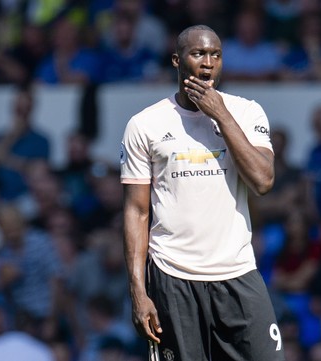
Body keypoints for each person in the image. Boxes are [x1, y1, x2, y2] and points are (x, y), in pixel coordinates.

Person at [120, 25, 284, 361]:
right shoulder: (144, 124)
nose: (208, 63)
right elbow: (136, 211)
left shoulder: (246, 112)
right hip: (172, 276)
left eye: (215, 55)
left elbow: (263, 181)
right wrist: (138, 291)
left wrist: (221, 115)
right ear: (177, 60)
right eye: (198, 54)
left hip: (236, 272)